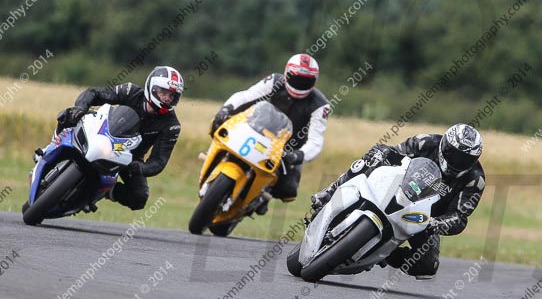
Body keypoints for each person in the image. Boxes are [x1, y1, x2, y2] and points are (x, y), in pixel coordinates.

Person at [310, 124, 485, 280]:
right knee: (371, 158)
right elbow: (394, 152)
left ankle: (386, 253)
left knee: (428, 266)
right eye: (453, 154)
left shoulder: (475, 180)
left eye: (465, 159)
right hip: (394, 188)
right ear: (445, 145)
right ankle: (330, 192)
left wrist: (436, 223)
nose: (457, 161)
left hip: (423, 218)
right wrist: (381, 154)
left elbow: (459, 216)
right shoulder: (425, 142)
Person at [48, 66, 184, 211]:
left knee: (139, 197)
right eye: (163, 92)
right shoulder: (131, 91)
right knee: (68, 115)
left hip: (128, 156)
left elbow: (159, 160)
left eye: (172, 96)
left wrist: (140, 168)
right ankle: (51, 149)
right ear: (151, 87)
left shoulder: (172, 126)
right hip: (103, 133)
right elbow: (94, 93)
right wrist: (81, 107)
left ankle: (106, 191)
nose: (167, 98)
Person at [209, 53, 331, 214]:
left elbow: (316, 141)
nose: (300, 84)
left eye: (305, 81)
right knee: (218, 126)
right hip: (259, 130)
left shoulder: (321, 105)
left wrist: (298, 155)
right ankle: (215, 161)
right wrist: (227, 108)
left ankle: (262, 196)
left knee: (288, 190)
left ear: (314, 81)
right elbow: (247, 95)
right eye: (296, 79)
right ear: (287, 73)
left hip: (288, 148)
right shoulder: (275, 81)